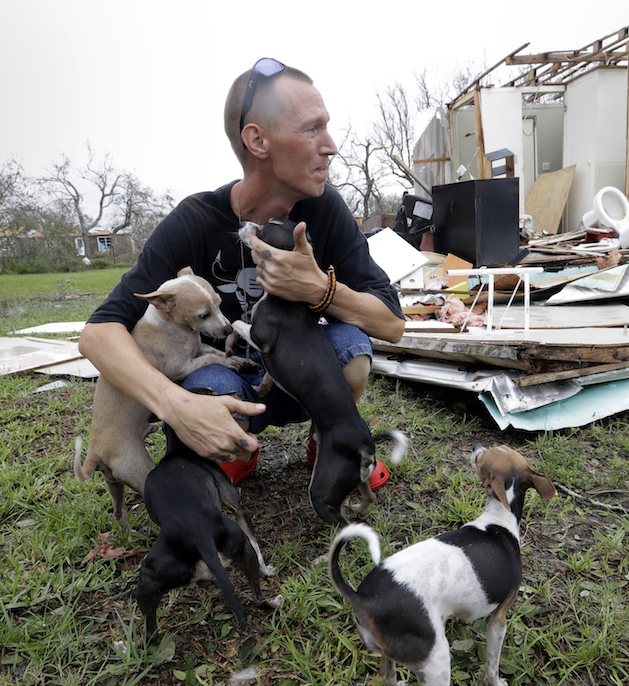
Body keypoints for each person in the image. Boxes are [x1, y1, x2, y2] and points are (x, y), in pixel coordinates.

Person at [78, 58, 404, 485]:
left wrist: (320, 290)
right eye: (312, 129)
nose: (331, 145)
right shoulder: (194, 220)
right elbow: (97, 334)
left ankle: (327, 438)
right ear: (257, 140)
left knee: (352, 349)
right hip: (223, 374)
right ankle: (233, 447)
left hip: (296, 368)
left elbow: (393, 325)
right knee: (205, 385)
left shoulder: (325, 209)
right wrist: (173, 404)